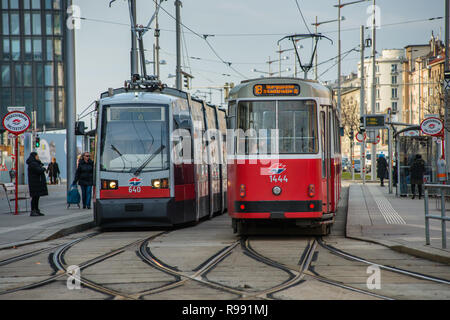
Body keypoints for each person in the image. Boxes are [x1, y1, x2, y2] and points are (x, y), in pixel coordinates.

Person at [26, 152, 48, 216]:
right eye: (37, 156)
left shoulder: (35, 163)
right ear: (34, 156)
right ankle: (33, 210)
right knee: (34, 197)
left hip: (37, 183)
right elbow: (39, 170)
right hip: (34, 184)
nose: (38, 157)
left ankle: (36, 210)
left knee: (37, 197)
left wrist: (39, 163)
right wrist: (43, 169)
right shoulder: (32, 164)